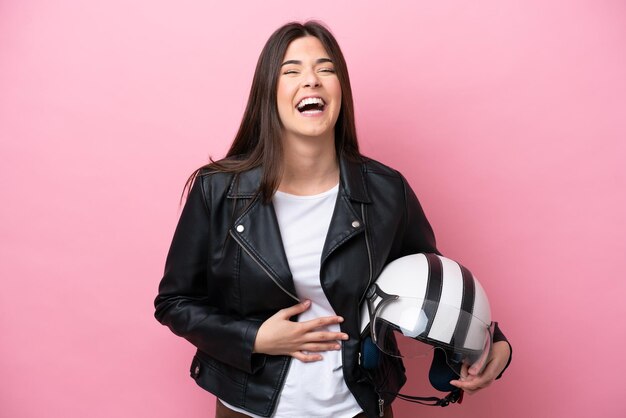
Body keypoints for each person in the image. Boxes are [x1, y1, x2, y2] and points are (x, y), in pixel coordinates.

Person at [154, 21, 512, 418]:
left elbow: (436, 285)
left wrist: (493, 343)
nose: (311, 80)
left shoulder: (386, 192)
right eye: (292, 71)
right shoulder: (217, 190)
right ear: (268, 93)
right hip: (248, 407)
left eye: (326, 69)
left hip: (359, 407)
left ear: (340, 89)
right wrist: (254, 337)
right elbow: (175, 301)